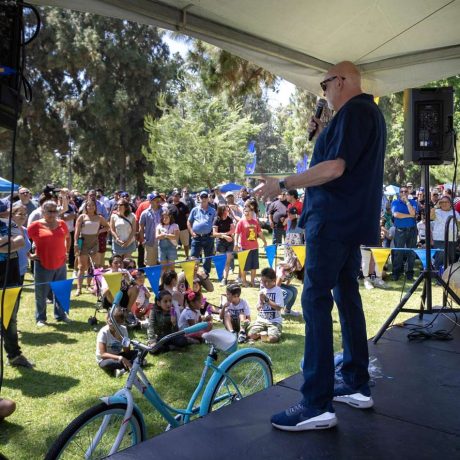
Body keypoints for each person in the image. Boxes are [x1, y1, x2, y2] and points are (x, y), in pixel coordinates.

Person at [258, 61, 386, 431]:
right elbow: (344, 160)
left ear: (341, 80)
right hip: (349, 223)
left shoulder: (355, 111)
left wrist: (283, 183)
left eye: (325, 83)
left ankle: (316, 402)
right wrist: (326, 130)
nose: (323, 91)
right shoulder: (365, 115)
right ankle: (356, 383)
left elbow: (334, 170)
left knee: (315, 299)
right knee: (347, 295)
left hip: (331, 223)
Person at [0, 201, 34, 367]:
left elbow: (20, 242)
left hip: (11, 277)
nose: (8, 214)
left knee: (10, 317)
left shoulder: (11, 224)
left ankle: (14, 356)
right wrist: (7, 242)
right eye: (5, 212)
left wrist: (5, 242)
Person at [28, 200, 71, 326]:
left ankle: (61, 315)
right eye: (49, 211)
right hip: (42, 263)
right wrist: (29, 255)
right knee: (41, 292)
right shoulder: (35, 225)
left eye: (54, 211)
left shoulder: (62, 223)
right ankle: (41, 318)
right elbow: (24, 240)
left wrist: (67, 251)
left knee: (61, 290)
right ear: (43, 211)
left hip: (60, 263)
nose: (52, 214)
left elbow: (68, 237)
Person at [74, 199, 110, 296]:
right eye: (88, 206)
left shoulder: (99, 217)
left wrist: (99, 232)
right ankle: (79, 288)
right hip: (83, 242)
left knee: (91, 266)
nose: (90, 207)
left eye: (92, 206)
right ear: (86, 207)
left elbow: (107, 226)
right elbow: (77, 231)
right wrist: (76, 242)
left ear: (95, 207)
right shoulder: (82, 217)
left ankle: (88, 285)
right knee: (81, 267)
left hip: (94, 242)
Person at [95, 308, 136, 378]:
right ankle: (134, 364)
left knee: (138, 353)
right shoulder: (103, 332)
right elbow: (103, 354)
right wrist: (121, 358)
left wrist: (121, 338)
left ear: (122, 322)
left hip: (118, 355)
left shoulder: (123, 329)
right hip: (106, 359)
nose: (111, 323)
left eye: (116, 321)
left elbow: (127, 351)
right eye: (110, 320)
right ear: (107, 318)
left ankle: (122, 369)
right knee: (108, 364)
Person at [234, 201, 267, 287]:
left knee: (254, 266)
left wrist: (265, 241)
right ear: (244, 212)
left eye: (250, 211)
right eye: (246, 211)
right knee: (243, 266)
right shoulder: (241, 222)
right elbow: (236, 234)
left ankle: (252, 281)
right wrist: (236, 244)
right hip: (244, 247)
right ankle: (244, 281)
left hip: (254, 248)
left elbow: (259, 233)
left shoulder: (255, 222)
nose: (248, 213)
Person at [247, 267, 284, 343]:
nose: (266, 284)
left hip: (274, 321)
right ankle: (263, 333)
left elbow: (278, 308)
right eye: (263, 282)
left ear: (274, 280)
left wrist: (267, 300)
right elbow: (258, 308)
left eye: (268, 281)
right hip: (261, 320)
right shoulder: (262, 291)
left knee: (272, 339)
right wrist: (260, 303)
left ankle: (269, 333)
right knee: (250, 335)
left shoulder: (278, 290)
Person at [391, 186, 418, 281]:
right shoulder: (395, 202)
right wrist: (410, 215)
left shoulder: (413, 202)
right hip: (400, 230)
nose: (403, 193)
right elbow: (396, 215)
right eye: (401, 191)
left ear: (408, 192)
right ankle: (396, 272)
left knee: (411, 252)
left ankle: (409, 273)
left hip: (412, 230)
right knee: (398, 252)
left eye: (405, 191)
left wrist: (407, 202)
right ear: (399, 193)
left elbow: (413, 213)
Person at [187, 191, 216, 276]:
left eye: (205, 197)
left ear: (208, 198)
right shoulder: (194, 210)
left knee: (208, 257)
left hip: (208, 237)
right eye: (202, 197)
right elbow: (189, 221)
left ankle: (205, 274)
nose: (203, 199)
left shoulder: (213, 210)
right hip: (196, 237)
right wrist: (192, 232)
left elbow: (215, 222)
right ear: (199, 198)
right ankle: (192, 273)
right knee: (193, 257)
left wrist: (213, 232)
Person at [430, 196, 459, 270]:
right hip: (439, 239)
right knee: (440, 257)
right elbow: (430, 217)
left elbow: (458, 224)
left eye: (446, 202)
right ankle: (438, 275)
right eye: (442, 202)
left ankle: (448, 277)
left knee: (451, 258)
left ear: (450, 203)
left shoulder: (455, 213)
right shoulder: (436, 211)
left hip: (452, 239)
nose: (444, 204)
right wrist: (436, 206)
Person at [213, 204, 235, 286]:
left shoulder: (229, 219)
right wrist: (224, 236)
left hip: (229, 242)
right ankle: (221, 277)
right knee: (221, 261)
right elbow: (214, 233)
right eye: (226, 210)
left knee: (228, 261)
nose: (227, 211)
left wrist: (226, 234)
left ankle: (225, 279)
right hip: (220, 242)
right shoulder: (216, 220)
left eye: (228, 210)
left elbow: (233, 230)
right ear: (221, 211)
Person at [139, 193, 163, 267]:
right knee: (150, 264)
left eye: (158, 199)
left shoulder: (164, 211)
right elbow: (141, 227)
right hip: (150, 241)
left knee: (163, 264)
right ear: (150, 201)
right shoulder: (145, 213)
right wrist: (143, 240)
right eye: (155, 199)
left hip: (163, 241)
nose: (158, 201)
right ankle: (151, 278)